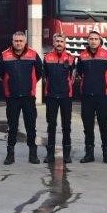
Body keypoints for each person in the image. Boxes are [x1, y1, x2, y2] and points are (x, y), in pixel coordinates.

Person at [0, 31, 44, 164]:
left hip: (28, 97)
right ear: (12, 41)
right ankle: (10, 155)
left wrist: (30, 84)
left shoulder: (33, 55)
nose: (18, 43)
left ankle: (33, 154)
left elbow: (39, 72)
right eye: (16, 41)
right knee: (12, 126)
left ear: (25, 42)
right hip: (12, 97)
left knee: (31, 126)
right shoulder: (4, 55)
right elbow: (0, 74)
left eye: (20, 41)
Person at [74, 31, 107, 164]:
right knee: (88, 127)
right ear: (88, 41)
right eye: (91, 39)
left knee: (104, 126)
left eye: (96, 39)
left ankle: (106, 154)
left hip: (102, 96)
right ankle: (89, 154)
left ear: (100, 41)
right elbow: (79, 73)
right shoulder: (82, 56)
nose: (93, 41)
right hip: (87, 97)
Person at [41, 32, 76, 164]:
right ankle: (50, 154)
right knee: (51, 126)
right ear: (53, 43)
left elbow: (73, 77)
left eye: (61, 41)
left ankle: (66, 155)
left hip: (66, 96)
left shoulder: (71, 58)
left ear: (65, 43)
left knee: (66, 126)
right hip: (51, 96)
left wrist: (67, 88)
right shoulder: (47, 58)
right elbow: (44, 75)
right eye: (57, 41)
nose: (59, 44)